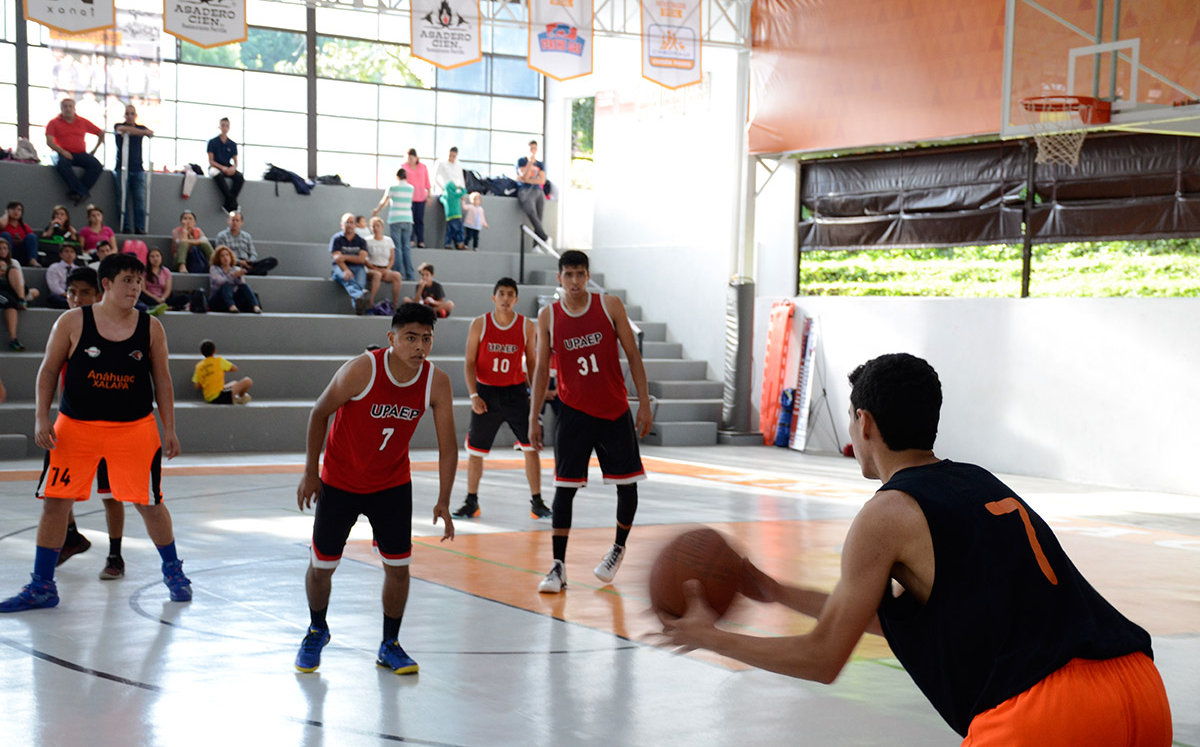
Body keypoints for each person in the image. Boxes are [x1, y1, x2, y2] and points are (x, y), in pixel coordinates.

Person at [658, 353, 1173, 747]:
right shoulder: (977, 482)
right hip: (1138, 687)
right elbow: (902, 620)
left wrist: (711, 638)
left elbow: (822, 657)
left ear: (865, 423)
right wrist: (774, 592)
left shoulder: (886, 513)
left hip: (1048, 711)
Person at [0, 253, 192, 613]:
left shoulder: (151, 327)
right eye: (127, 281)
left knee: (150, 504)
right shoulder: (72, 321)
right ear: (106, 284)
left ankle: (174, 572)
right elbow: (47, 371)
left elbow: (162, 381)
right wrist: (42, 419)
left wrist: (170, 428)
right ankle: (42, 585)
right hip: (75, 428)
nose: (135, 288)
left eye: (139, 282)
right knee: (56, 502)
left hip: (134, 429)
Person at [294, 303, 457, 674]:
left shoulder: (437, 381)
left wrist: (444, 499)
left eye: (426, 339)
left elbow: (448, 446)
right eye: (410, 338)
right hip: (340, 481)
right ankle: (317, 628)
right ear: (391, 338)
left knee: (399, 568)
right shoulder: (362, 369)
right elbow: (319, 412)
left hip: (392, 483)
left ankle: (390, 644)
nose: (419, 346)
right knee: (322, 567)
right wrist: (310, 472)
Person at [529, 250, 652, 593]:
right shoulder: (548, 316)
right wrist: (534, 417)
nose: (574, 281)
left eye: (580, 274)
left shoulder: (609, 305)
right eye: (568, 275)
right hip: (573, 412)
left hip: (614, 410)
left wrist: (643, 402)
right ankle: (557, 567)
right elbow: (541, 370)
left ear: (588, 276)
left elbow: (633, 354)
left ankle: (617, 548)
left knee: (627, 485)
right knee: (564, 489)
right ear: (559, 278)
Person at [454, 278, 551, 521]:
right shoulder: (480, 324)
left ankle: (537, 502)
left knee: (531, 447)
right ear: (494, 298)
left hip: (515, 393)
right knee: (475, 451)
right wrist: (474, 395)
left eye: (510, 294)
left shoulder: (526, 326)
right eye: (502, 294)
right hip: (486, 393)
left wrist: (537, 392)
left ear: (516, 299)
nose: (506, 298)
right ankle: (471, 501)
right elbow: (468, 362)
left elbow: (530, 362)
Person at [53, 266, 128, 580]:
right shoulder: (65, 326)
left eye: (84, 292)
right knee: (57, 489)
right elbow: (53, 374)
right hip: (73, 424)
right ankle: (71, 536)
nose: (76, 298)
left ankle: (115, 555)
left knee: (111, 494)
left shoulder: (112, 329)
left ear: (99, 294)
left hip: (109, 426)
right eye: (72, 292)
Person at [46, 98, 105, 204]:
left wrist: (94, 150)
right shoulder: (54, 123)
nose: (68, 109)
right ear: (61, 108)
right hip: (63, 153)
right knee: (62, 165)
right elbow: (49, 142)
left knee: (96, 166)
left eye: (70, 106)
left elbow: (100, 133)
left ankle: (78, 192)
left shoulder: (82, 121)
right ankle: (82, 192)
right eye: (65, 106)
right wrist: (63, 152)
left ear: (74, 108)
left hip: (80, 153)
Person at [114, 103, 154, 234]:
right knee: (122, 199)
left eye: (132, 113)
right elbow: (123, 130)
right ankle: (125, 227)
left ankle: (140, 227)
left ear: (136, 116)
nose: (130, 116)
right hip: (122, 168)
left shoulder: (141, 127)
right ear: (124, 115)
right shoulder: (118, 126)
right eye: (127, 113)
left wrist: (141, 132)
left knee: (140, 200)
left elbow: (150, 133)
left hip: (138, 169)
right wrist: (141, 132)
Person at [372, 168, 416, 281]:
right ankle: (410, 275)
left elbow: (384, 201)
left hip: (395, 219)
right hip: (408, 219)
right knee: (406, 247)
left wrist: (376, 211)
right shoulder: (411, 188)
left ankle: (399, 273)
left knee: (397, 247)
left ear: (397, 177)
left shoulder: (393, 187)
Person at [329, 212, 372, 315]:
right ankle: (359, 296)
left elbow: (361, 259)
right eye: (346, 222)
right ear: (342, 225)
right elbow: (337, 259)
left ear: (355, 225)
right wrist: (346, 270)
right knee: (348, 279)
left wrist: (344, 257)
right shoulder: (337, 239)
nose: (349, 225)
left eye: (351, 222)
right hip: (340, 268)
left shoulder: (361, 241)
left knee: (360, 283)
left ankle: (358, 309)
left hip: (358, 268)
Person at [0, 237, 37, 351]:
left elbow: (21, 281)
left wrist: (7, 272)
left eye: (5, 248)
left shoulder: (14, 262)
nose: (2, 251)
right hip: (2, 291)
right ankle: (13, 339)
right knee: (11, 304)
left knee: (35, 291)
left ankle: (21, 299)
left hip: (13, 289)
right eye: (0, 248)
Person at [214, 210, 277, 276]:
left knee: (272, 260)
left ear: (242, 222)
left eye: (237, 220)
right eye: (233, 220)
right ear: (228, 221)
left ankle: (248, 271)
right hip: (233, 264)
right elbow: (221, 255)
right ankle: (250, 272)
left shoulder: (247, 236)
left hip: (248, 262)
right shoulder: (221, 236)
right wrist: (239, 262)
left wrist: (250, 261)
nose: (235, 222)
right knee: (263, 272)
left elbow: (253, 254)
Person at [192, 339, 252, 404]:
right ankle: (241, 397)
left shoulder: (199, 366)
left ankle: (235, 398)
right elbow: (234, 368)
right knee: (247, 381)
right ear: (214, 351)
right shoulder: (218, 361)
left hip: (209, 398)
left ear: (201, 352)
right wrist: (221, 369)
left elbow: (196, 386)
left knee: (234, 383)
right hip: (220, 397)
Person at [208, 245, 262, 314]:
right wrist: (233, 275)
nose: (225, 258)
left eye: (227, 255)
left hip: (234, 298)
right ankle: (231, 306)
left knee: (244, 286)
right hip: (218, 301)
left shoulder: (236, 269)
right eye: (222, 256)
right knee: (226, 285)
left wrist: (239, 277)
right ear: (218, 258)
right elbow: (220, 281)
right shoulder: (214, 269)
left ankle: (255, 306)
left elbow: (241, 285)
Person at [207, 117, 244, 213]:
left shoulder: (232, 144)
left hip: (228, 167)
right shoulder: (213, 142)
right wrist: (222, 167)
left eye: (226, 126)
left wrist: (232, 168)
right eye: (223, 125)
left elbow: (235, 161)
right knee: (218, 175)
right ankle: (233, 203)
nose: (224, 128)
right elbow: (211, 161)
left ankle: (228, 203)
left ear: (229, 127)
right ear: (219, 127)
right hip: (216, 167)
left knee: (239, 177)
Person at [365, 216, 403, 310]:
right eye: (373, 226)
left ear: (382, 227)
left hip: (385, 269)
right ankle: (370, 302)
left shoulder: (388, 240)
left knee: (397, 276)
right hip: (372, 268)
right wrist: (375, 269)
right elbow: (364, 259)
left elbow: (392, 258)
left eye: (378, 226)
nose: (376, 228)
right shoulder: (367, 240)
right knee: (377, 275)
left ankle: (394, 304)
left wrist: (387, 269)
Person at [516, 140, 549, 243]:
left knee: (539, 217)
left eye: (535, 149)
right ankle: (544, 237)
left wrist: (528, 180)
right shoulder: (521, 161)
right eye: (531, 148)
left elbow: (542, 180)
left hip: (538, 190)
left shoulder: (540, 164)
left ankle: (537, 244)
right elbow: (523, 176)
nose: (533, 151)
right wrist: (530, 163)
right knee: (531, 211)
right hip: (525, 190)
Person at [139, 247, 188, 313]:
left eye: (157, 256)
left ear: (161, 257)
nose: (155, 259)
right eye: (152, 256)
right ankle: (166, 307)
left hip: (163, 298)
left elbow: (168, 289)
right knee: (140, 294)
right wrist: (155, 298)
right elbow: (143, 289)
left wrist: (162, 298)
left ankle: (160, 306)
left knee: (185, 298)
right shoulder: (144, 272)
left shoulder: (166, 271)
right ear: (148, 258)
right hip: (150, 297)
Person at [404, 149, 431, 248]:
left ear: (416, 158)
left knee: (419, 220)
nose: (410, 160)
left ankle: (421, 240)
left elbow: (427, 182)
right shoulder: (403, 167)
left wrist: (428, 196)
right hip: (408, 199)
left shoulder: (423, 167)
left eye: (412, 158)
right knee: (409, 220)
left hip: (420, 198)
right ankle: (411, 239)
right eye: (408, 158)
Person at [2, 201, 41, 266]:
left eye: (19, 210)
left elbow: (32, 240)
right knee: (6, 235)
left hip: (21, 253)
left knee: (32, 236)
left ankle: (32, 260)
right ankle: (9, 260)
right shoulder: (4, 225)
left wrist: (21, 241)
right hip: (6, 252)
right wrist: (6, 214)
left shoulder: (24, 226)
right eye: (13, 209)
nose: (16, 212)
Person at [45, 242, 81, 309]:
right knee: (54, 299)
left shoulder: (78, 269)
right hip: (60, 296)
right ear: (61, 255)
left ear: (75, 255)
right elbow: (54, 287)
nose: (69, 254)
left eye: (72, 252)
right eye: (66, 251)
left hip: (75, 296)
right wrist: (67, 294)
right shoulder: (54, 268)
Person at [441, 181, 466, 250]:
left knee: (450, 231)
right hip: (457, 215)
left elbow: (440, 199)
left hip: (448, 217)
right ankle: (460, 243)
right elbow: (464, 191)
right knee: (459, 230)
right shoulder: (455, 195)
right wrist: (460, 188)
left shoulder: (445, 197)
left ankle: (447, 243)